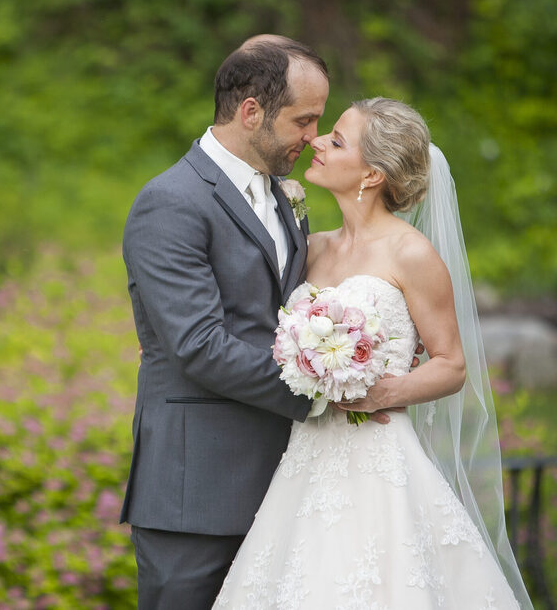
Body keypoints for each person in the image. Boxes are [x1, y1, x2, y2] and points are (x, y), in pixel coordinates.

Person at [213, 98, 532, 608]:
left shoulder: (411, 253)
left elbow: (451, 364)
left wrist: (383, 391)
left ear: (372, 174)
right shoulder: (311, 247)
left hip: (378, 461)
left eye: (336, 141)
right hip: (305, 454)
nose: (316, 141)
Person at [120, 35, 334, 607]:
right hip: (196, 492)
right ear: (251, 112)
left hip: (284, 480)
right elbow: (199, 344)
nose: (314, 138)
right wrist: (325, 393)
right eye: (304, 120)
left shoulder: (284, 197)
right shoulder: (171, 202)